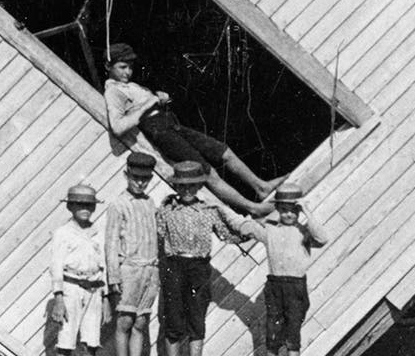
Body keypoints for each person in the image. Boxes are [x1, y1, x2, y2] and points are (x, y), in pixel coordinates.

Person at [103, 43, 277, 216]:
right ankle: (253, 208)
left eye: (130, 67)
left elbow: (146, 103)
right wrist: (147, 105)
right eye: (122, 67)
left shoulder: (130, 86)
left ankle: (261, 186)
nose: (128, 72)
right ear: (108, 66)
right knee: (208, 172)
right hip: (160, 133)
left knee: (223, 151)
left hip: (170, 124)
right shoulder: (113, 91)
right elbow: (118, 127)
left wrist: (159, 99)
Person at [155, 160, 253, 356]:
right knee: (173, 321)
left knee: (196, 320)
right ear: (176, 186)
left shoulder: (209, 211)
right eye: (182, 185)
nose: (187, 190)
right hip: (174, 266)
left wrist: (250, 231)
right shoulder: (166, 209)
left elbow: (227, 235)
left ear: (199, 186)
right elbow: (156, 238)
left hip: (199, 267)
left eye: (192, 185)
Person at [229, 183, 327, 356]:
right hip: (275, 286)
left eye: (292, 210)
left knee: (293, 337)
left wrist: (307, 211)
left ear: (298, 211)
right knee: (272, 336)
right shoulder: (270, 231)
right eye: (283, 209)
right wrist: (223, 211)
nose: (288, 214)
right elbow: (246, 226)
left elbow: (322, 238)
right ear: (277, 210)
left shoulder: (303, 233)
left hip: (296, 287)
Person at [106, 152, 160, 356]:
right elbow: (111, 243)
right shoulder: (118, 205)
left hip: (150, 270)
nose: (140, 183)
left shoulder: (150, 203)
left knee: (140, 321)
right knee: (125, 321)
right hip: (129, 269)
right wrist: (113, 277)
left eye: (144, 179)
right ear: (126, 175)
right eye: (135, 177)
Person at [48, 184, 109, 356]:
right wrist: (59, 299)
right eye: (79, 204)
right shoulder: (63, 233)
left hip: (94, 289)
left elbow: (102, 266)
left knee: (91, 340)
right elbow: (56, 268)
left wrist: (104, 298)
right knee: (66, 339)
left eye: (89, 205)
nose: (85, 209)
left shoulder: (98, 232)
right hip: (71, 288)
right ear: (70, 206)